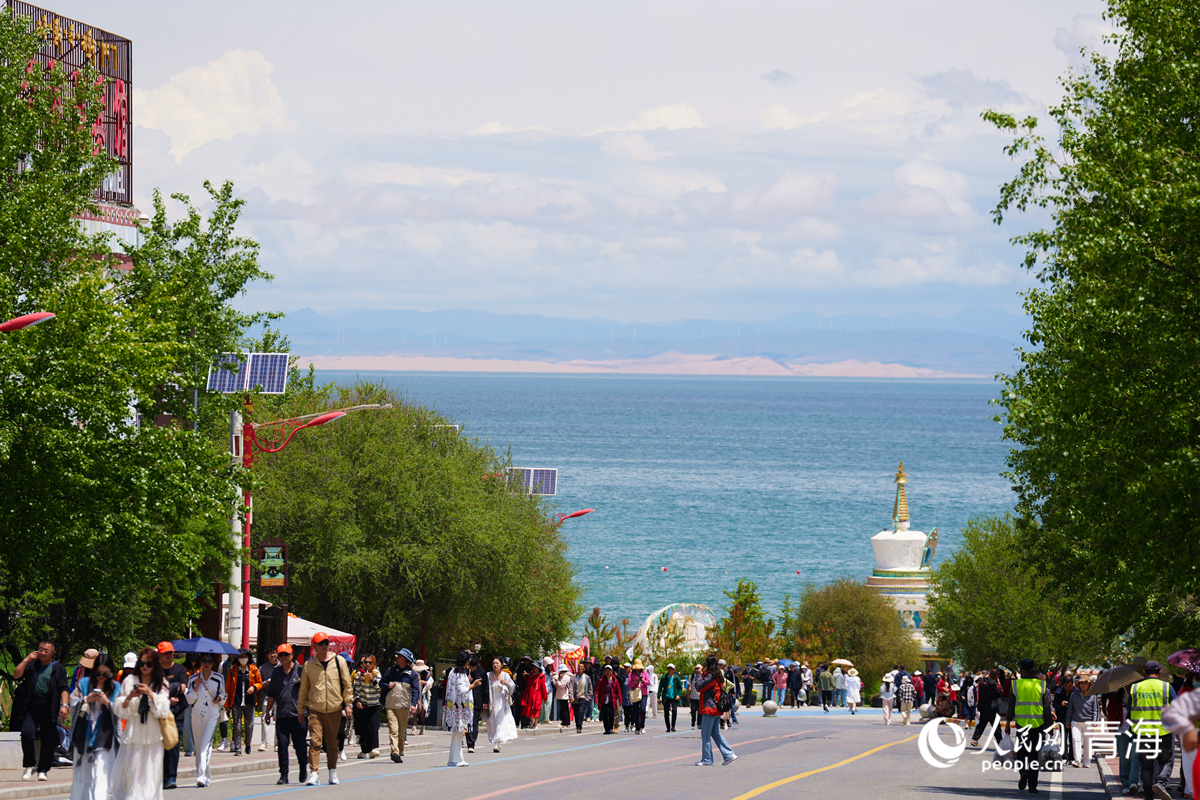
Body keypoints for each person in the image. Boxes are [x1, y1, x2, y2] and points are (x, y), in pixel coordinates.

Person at [113, 647, 170, 800]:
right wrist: (131, 696)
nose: (145, 667)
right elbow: (120, 709)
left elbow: (164, 709)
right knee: (131, 774)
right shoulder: (129, 681)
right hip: (133, 735)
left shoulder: (161, 682)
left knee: (151, 777)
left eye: (149, 664)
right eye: (142, 663)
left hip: (153, 737)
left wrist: (151, 694)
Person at [298, 632, 353, 786]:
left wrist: (348, 704)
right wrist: (301, 710)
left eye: (326, 642)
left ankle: (332, 771)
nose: (324, 645)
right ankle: (314, 773)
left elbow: (347, 684)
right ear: (314, 646)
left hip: (335, 708)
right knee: (315, 742)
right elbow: (304, 689)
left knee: (331, 743)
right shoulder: (309, 665)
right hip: (315, 709)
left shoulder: (339, 661)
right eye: (320, 643)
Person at [12, 637, 70, 782]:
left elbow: (63, 688)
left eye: (46, 650)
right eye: (41, 649)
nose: (43, 652)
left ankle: (43, 769)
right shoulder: (32, 664)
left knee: (48, 738)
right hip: (31, 704)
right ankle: (30, 765)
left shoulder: (58, 668)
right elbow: (16, 675)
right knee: (27, 733)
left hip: (49, 705)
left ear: (53, 652)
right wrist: (26, 659)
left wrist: (64, 705)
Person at [69, 652, 119, 800]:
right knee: (82, 777)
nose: (101, 676)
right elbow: (73, 702)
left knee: (101, 777)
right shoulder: (84, 684)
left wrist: (107, 703)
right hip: (83, 736)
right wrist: (86, 699)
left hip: (105, 738)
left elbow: (122, 710)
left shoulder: (115, 687)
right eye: (98, 673)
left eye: (105, 673)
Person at [1127, 660, 1176, 800]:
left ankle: (1148, 796)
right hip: (1164, 732)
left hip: (1143, 733)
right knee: (1166, 761)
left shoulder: (1135, 688)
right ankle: (1161, 782)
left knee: (1146, 766)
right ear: (1160, 672)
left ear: (1144, 672)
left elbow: (1130, 711)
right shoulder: (1167, 687)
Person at [1005, 657, 1053, 795]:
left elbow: (1011, 706)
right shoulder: (1042, 685)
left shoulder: (1016, 685)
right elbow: (1046, 708)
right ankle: (1032, 786)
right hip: (1038, 726)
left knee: (1021, 753)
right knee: (1034, 755)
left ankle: (1023, 773)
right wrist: (1049, 727)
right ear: (1034, 669)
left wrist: (1008, 722)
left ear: (1021, 670)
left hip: (1021, 725)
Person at [263, 644, 305, 785]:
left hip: (298, 715)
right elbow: (272, 693)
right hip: (281, 715)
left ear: (292, 655)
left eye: (286, 654)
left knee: (299, 745)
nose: (283, 657)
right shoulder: (276, 673)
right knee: (282, 744)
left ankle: (303, 767)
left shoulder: (300, 671)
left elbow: (309, 691)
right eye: (281, 655)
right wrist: (268, 712)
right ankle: (284, 774)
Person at [185, 654, 225, 788]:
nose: (207, 663)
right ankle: (206, 774)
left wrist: (219, 698)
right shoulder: (193, 678)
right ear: (200, 662)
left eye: (210, 660)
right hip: (197, 713)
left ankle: (201, 776)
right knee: (198, 746)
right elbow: (189, 699)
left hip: (212, 713)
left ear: (213, 662)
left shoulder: (218, 678)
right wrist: (196, 687)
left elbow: (223, 693)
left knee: (205, 745)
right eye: (204, 660)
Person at [694, 656, 736, 767]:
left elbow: (699, 687)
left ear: (707, 665)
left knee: (706, 734)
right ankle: (728, 754)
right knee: (715, 733)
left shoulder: (710, 676)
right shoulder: (718, 675)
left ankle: (707, 759)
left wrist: (698, 675)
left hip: (710, 708)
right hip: (717, 708)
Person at [380, 649, 420, 763]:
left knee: (402, 731)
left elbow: (416, 690)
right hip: (390, 705)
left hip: (404, 706)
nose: (397, 657)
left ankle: (400, 751)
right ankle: (394, 752)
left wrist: (413, 705)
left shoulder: (412, 674)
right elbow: (381, 683)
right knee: (393, 729)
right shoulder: (390, 671)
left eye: (400, 656)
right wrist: (388, 685)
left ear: (406, 659)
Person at [157, 642, 187, 790]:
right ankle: (160, 777)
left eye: (171, 652)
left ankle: (171, 777)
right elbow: (153, 689)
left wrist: (166, 691)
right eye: (165, 653)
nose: (169, 655)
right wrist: (168, 697)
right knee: (159, 745)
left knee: (173, 745)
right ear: (159, 655)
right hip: (159, 713)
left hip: (177, 713)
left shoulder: (180, 669)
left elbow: (183, 687)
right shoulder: (155, 670)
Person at [223, 648, 261, 757]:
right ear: (237, 658)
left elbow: (259, 683)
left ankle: (248, 744)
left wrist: (254, 687)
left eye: (245, 656)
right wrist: (227, 705)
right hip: (237, 702)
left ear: (249, 657)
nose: (243, 658)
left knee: (249, 726)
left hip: (250, 702)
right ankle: (238, 748)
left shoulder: (254, 669)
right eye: (241, 656)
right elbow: (228, 688)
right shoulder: (233, 670)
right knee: (237, 726)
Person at [445, 650, 478, 767]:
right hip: (459, 709)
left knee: (457, 734)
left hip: (454, 707)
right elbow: (462, 690)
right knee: (458, 734)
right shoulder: (460, 674)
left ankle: (458, 758)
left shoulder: (452, 672)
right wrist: (473, 685)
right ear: (467, 662)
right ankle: (454, 760)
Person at [351, 653, 382, 759]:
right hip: (363, 704)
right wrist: (357, 700)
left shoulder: (376, 673)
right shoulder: (359, 674)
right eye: (365, 662)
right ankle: (364, 750)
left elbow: (380, 688)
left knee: (372, 727)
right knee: (363, 728)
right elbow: (356, 688)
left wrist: (372, 679)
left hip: (374, 704)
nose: (367, 664)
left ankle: (372, 748)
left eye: (370, 662)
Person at [1066, 675, 1099, 768]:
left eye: (1085, 683)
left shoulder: (1093, 696)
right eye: (1081, 683)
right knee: (1076, 740)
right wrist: (1067, 721)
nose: (1083, 685)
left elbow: (1096, 710)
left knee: (1087, 742)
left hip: (1088, 722)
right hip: (1075, 721)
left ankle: (1086, 762)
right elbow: (1070, 709)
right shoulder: (1074, 695)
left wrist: (1095, 721)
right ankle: (1077, 761)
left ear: (1089, 685)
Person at [487, 657, 519, 751]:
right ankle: (496, 741)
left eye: (497, 663)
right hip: (492, 702)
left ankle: (497, 743)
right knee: (493, 722)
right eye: (493, 663)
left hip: (502, 703)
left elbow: (512, 687)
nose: (495, 665)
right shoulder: (488, 675)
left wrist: (507, 684)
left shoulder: (505, 676)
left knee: (500, 722)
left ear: (502, 664)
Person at [972, 669, 1001, 748]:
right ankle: (1000, 743)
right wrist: (998, 683)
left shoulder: (982, 682)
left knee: (981, 724)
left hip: (983, 707)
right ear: (996, 676)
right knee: (996, 726)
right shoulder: (994, 684)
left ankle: (974, 739)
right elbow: (1000, 691)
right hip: (992, 708)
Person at [257, 649, 278, 752]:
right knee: (264, 719)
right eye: (271, 653)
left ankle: (277, 744)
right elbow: (259, 683)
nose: (273, 655)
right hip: (267, 696)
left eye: (274, 653)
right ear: (267, 655)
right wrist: (266, 683)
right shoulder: (263, 668)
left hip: (279, 698)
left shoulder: (281, 666)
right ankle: (264, 743)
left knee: (279, 720)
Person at [627, 659, 651, 735]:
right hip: (636, 694)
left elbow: (649, 682)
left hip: (643, 693)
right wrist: (635, 681)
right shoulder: (631, 674)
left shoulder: (644, 673)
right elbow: (629, 684)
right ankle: (637, 727)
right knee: (636, 711)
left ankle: (642, 726)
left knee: (643, 709)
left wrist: (643, 681)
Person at [596, 665, 622, 735]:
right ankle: (606, 729)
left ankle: (610, 728)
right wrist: (596, 699)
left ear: (611, 672)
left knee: (611, 714)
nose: (607, 672)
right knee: (604, 714)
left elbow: (618, 690)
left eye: (609, 671)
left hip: (611, 699)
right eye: (606, 671)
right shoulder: (601, 680)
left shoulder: (614, 680)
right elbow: (597, 690)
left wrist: (620, 700)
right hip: (603, 699)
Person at [520, 664, 547, 730]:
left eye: (535, 666)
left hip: (537, 695)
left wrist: (545, 697)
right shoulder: (531, 674)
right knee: (527, 709)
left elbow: (543, 687)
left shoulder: (541, 676)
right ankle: (532, 721)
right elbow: (528, 681)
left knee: (536, 710)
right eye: (533, 666)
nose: (534, 667)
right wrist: (525, 676)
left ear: (538, 668)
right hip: (529, 694)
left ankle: (535, 724)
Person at [658, 663, 682, 732]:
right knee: (666, 712)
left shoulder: (676, 678)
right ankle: (668, 727)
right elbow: (660, 688)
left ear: (674, 670)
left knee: (674, 711)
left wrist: (678, 695)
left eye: (671, 669)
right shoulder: (664, 677)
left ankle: (673, 726)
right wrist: (659, 697)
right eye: (669, 668)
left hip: (674, 697)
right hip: (666, 697)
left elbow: (680, 687)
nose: (670, 670)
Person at [569, 662, 592, 734]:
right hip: (575, 698)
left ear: (584, 669)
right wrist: (571, 696)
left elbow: (590, 689)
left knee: (581, 711)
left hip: (583, 698)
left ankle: (579, 727)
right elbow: (570, 688)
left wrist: (587, 698)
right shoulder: (573, 677)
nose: (579, 668)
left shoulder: (587, 678)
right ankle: (577, 725)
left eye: (581, 667)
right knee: (576, 713)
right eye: (578, 667)